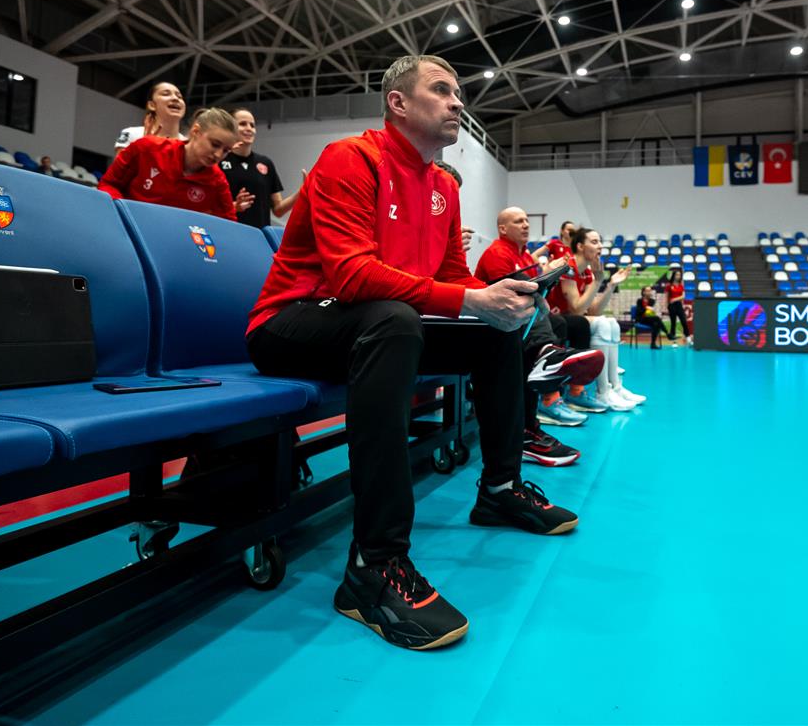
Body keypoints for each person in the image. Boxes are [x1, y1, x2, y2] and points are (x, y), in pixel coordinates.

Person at [246, 55, 579, 651]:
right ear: (398, 103)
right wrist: (469, 298)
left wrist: (496, 299)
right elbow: (351, 277)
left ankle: (501, 490)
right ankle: (373, 565)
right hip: (291, 323)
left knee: (494, 331)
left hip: (378, 325)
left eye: (459, 92)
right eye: (442, 90)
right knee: (396, 321)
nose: (458, 102)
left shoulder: (443, 187)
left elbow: (451, 280)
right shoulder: (351, 158)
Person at [475, 207, 602, 466]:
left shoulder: (524, 256)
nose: (525, 224)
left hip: (516, 324)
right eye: (518, 221)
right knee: (543, 325)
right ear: (502, 228)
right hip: (492, 324)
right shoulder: (497, 253)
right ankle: (546, 367)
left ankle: (535, 415)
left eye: (526, 220)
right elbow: (508, 297)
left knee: (560, 325)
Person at [551, 226, 645, 412]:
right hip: (555, 321)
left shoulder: (587, 272)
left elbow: (593, 310)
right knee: (602, 324)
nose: (600, 246)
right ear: (580, 246)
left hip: (574, 321)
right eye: (594, 242)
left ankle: (615, 387)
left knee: (611, 323)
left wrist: (610, 285)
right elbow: (577, 309)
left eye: (600, 241)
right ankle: (602, 392)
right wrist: (597, 281)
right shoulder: (568, 267)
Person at [99, 107, 239, 221]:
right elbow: (109, 184)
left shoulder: (217, 181)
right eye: (215, 144)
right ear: (196, 131)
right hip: (129, 229)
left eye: (226, 151)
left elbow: (229, 224)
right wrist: (122, 213)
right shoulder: (147, 148)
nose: (218, 155)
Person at [219, 108, 304, 229]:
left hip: (260, 236)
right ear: (230, 128)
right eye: (243, 124)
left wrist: (302, 191)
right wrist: (234, 206)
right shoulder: (219, 160)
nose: (249, 128)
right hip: (228, 231)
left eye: (252, 125)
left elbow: (278, 210)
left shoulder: (265, 163)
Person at [114, 82, 187, 155]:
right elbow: (119, 162)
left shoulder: (187, 145)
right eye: (166, 94)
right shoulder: (131, 134)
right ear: (152, 105)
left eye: (179, 97)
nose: (175, 98)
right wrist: (144, 146)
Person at [665, 268, 688, 340]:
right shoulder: (669, 285)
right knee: (673, 322)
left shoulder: (681, 285)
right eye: (677, 275)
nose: (678, 276)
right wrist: (666, 307)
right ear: (673, 276)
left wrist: (674, 299)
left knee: (684, 321)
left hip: (678, 305)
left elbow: (683, 296)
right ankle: (672, 336)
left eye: (679, 275)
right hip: (671, 306)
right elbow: (666, 297)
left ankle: (687, 336)